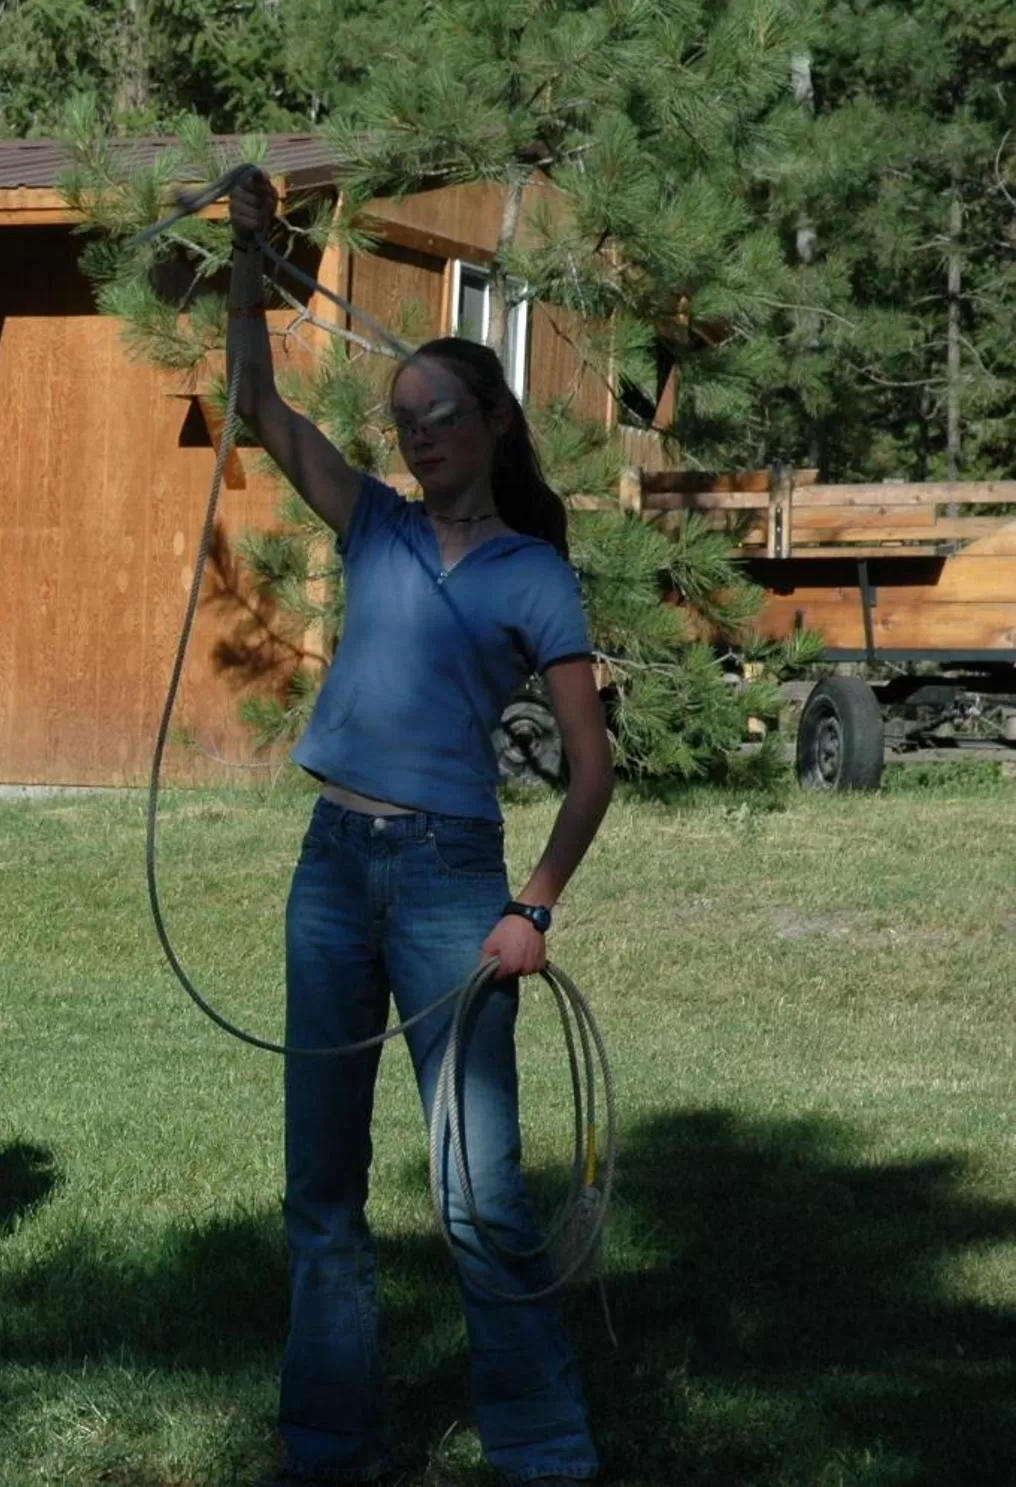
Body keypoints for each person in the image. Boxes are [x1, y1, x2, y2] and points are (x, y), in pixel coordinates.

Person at [225, 175, 611, 1485]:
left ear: (491, 423)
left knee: (476, 1191)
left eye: (442, 413)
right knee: (319, 1192)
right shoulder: (372, 525)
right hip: (332, 871)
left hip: (456, 883)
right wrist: (245, 263)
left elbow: (591, 768)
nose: (420, 434)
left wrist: (536, 903)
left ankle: (544, 1445)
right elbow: (261, 409)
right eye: (405, 418)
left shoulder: (532, 573)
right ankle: (326, 1444)